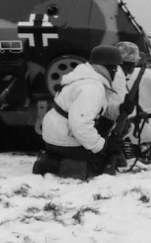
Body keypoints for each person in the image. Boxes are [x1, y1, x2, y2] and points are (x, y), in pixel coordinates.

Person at [33, 45, 127, 179]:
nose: (116, 72)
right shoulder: (92, 87)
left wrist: (119, 109)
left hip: (57, 135)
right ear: (110, 67)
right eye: (115, 68)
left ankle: (53, 156)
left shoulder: (88, 79)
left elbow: (93, 111)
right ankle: (47, 165)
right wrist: (103, 146)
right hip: (63, 138)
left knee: (103, 156)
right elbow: (80, 124)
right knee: (100, 165)